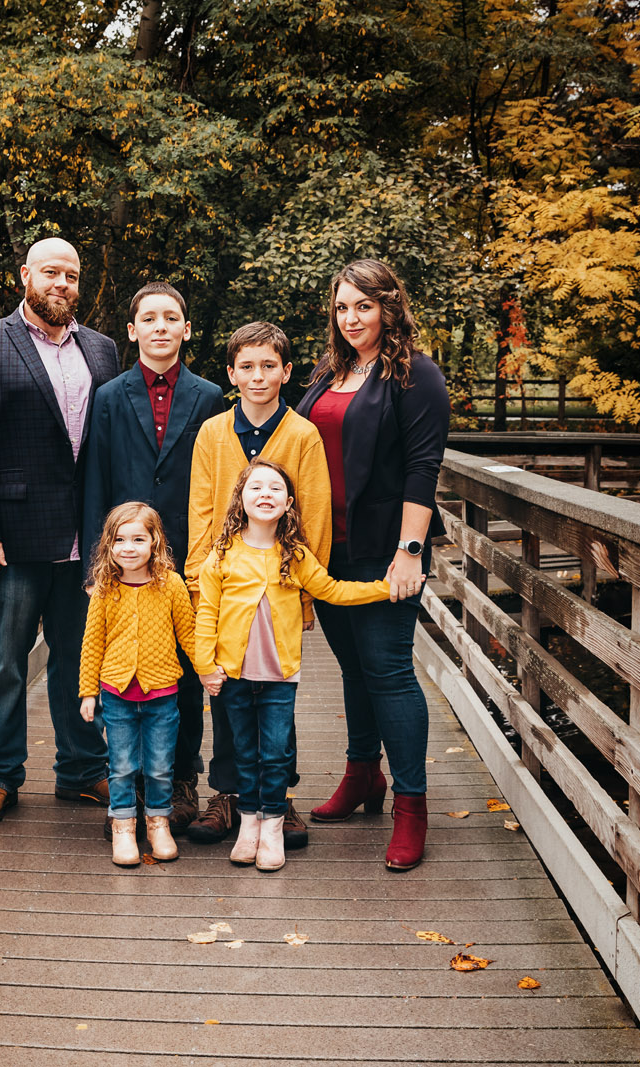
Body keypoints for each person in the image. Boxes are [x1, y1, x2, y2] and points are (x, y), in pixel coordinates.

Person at [0, 237, 120, 828]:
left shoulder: (102, 350)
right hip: (13, 538)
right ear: (25, 275)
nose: (62, 284)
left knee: (81, 659)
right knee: (4, 659)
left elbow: (107, 444)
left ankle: (80, 770)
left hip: (87, 540)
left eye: (72, 275)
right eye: (51, 272)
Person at [296, 258, 450, 871]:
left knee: (388, 670)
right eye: (342, 307)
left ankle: (411, 807)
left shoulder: (416, 376)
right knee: (353, 669)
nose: (352, 317)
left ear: (388, 306)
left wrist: (410, 552)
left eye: (364, 305)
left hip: (386, 547)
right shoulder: (328, 372)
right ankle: (363, 776)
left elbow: (422, 468)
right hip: (327, 547)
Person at [192, 458, 403, 871]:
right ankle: (248, 822)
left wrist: (385, 589)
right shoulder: (221, 555)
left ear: (289, 503)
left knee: (274, 752)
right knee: (244, 752)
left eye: (275, 489)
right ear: (240, 499)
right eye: (256, 488)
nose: (265, 494)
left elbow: (333, 591)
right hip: (232, 675)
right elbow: (206, 614)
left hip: (278, 678)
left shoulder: (296, 554)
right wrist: (205, 666)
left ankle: (272, 825)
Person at [183, 322, 332, 849]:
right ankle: (228, 792)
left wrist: (308, 592)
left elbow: (314, 514)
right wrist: (199, 583)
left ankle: (278, 796)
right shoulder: (212, 433)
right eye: (246, 366)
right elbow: (201, 510)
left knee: (276, 698)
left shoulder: (302, 434)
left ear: (287, 371)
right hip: (225, 588)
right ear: (230, 374)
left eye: (269, 365)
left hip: (282, 591)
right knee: (226, 695)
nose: (258, 375)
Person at [82, 282, 224, 834]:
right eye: (150, 318)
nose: (160, 326)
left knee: (184, 670)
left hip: (185, 557)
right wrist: (100, 567)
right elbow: (96, 481)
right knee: (125, 671)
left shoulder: (209, 395)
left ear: (186, 330)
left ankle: (181, 776)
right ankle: (131, 782)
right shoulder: (110, 397)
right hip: (127, 559)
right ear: (133, 330)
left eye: (171, 318)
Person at [78, 503, 198, 866]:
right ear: (108, 545)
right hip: (116, 694)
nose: (128, 547)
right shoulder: (105, 589)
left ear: (155, 542)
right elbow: (92, 641)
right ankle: (123, 825)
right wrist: (88, 691)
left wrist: (208, 670)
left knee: (161, 764)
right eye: (119, 540)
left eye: (138, 539)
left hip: (162, 692)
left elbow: (188, 634)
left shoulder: (171, 585)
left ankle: (157, 823)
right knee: (123, 764)